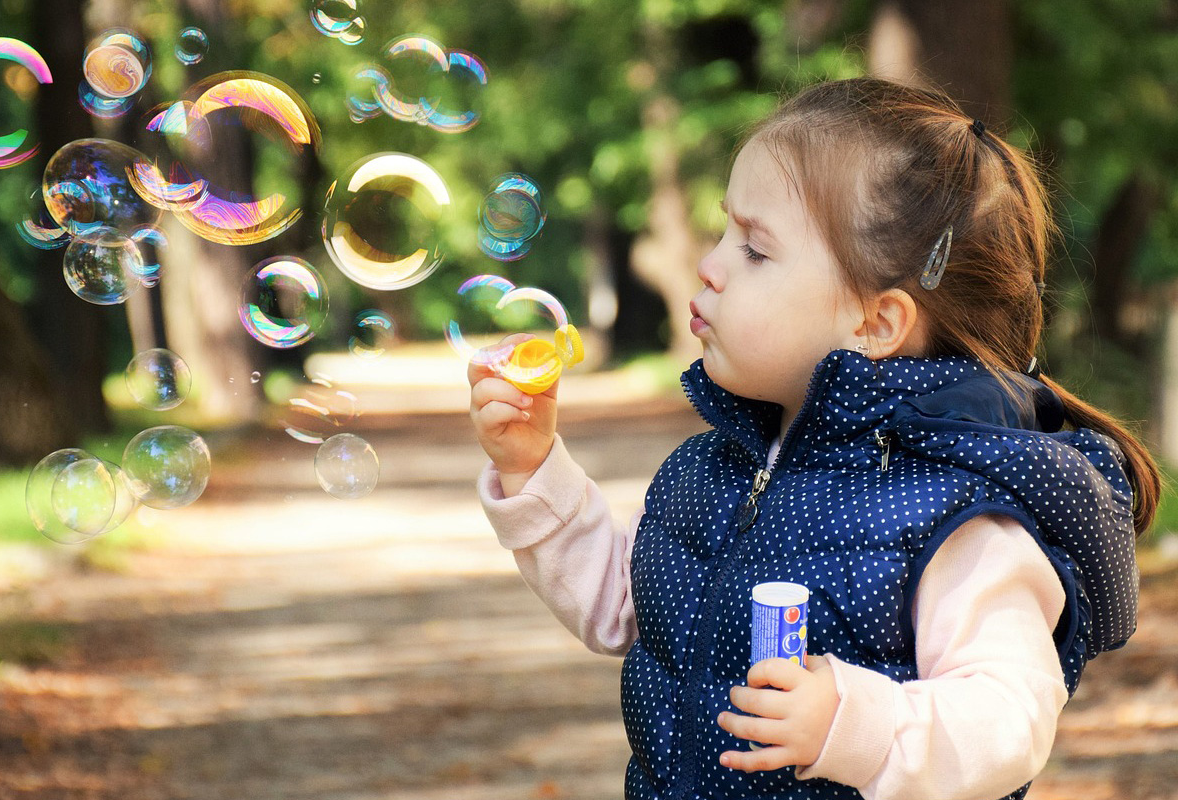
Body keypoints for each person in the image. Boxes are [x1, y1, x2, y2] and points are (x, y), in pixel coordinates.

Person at [467, 77, 1158, 800]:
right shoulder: (713, 470)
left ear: (876, 322)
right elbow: (625, 606)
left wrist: (853, 723)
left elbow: (1008, 719)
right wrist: (534, 468)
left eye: (755, 250)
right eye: (724, 231)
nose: (710, 264)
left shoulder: (954, 516)